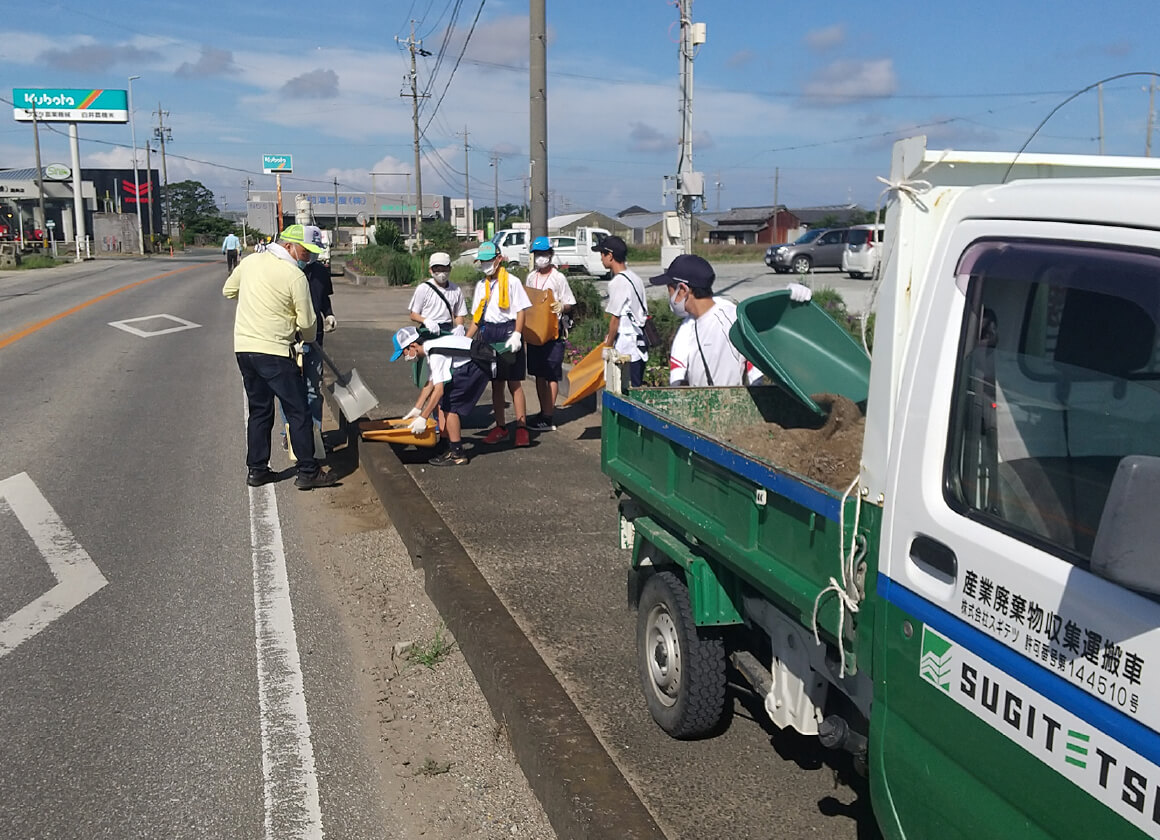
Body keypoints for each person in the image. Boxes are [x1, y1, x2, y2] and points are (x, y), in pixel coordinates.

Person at [222, 223, 338, 490]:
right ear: (288, 246)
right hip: (274, 351)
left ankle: (257, 470)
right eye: (305, 251)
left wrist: (255, 298)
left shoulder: (251, 263)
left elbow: (228, 290)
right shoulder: (293, 275)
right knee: (298, 410)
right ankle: (308, 471)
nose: (308, 257)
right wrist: (304, 337)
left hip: (245, 350)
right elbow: (308, 324)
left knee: (260, 410)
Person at [648, 253, 765, 388]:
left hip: (732, 404)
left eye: (669, 290)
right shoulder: (687, 327)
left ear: (682, 290)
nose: (669, 296)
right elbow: (677, 378)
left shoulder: (731, 318)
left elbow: (755, 369)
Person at [391, 325, 492, 467]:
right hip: (473, 362)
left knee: (450, 405)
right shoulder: (431, 348)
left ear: (413, 345)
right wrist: (417, 409)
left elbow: (439, 391)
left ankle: (457, 453)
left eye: (404, 353)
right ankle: (447, 445)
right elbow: (431, 383)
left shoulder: (435, 353)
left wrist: (423, 418)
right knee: (446, 402)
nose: (406, 358)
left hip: (478, 364)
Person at [465, 240, 532, 447]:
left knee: (514, 382)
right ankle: (500, 426)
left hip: (508, 331)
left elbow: (521, 310)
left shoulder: (512, 282)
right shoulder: (481, 286)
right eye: (482, 262)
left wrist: (518, 334)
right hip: (488, 333)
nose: (485, 265)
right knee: (495, 383)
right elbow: (477, 317)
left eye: (489, 260)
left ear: (499, 259)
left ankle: (521, 428)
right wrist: (466, 340)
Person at [279, 225, 336, 453]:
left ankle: (316, 432)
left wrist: (329, 314)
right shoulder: (284, 269)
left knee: (313, 388)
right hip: (290, 339)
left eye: (313, 252)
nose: (309, 257)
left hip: (315, 338)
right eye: (306, 251)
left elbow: (324, 299)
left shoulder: (321, 272)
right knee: (290, 389)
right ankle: (289, 433)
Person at [402, 251, 469, 428]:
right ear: (431, 270)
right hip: (429, 333)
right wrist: (425, 320)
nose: (442, 272)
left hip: (447, 333)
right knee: (431, 376)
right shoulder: (424, 289)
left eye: (445, 268)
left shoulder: (455, 289)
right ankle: (431, 416)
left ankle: (438, 419)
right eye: (438, 268)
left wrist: (460, 326)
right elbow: (413, 314)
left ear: (450, 269)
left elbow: (460, 314)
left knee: (443, 378)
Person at [523, 236, 575, 431]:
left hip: (554, 332)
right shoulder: (531, 276)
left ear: (551, 254)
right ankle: (542, 410)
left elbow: (570, 302)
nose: (540, 258)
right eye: (537, 254)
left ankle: (548, 414)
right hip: (535, 331)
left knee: (551, 374)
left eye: (544, 254)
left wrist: (562, 305)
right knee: (538, 374)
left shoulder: (558, 278)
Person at [596, 235, 649, 387]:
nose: (601, 258)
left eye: (602, 254)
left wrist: (608, 346)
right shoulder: (635, 278)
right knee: (636, 388)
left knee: (621, 390)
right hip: (640, 344)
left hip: (626, 347)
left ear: (610, 256)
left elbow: (615, 319)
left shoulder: (618, 282)